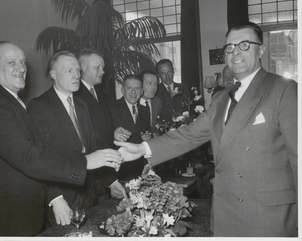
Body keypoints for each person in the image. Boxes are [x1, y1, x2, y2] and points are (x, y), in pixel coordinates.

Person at [115, 21, 298, 237]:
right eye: (229, 47)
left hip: (268, 216)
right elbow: (189, 134)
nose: (235, 52)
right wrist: (142, 149)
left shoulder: (283, 89)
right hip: (226, 212)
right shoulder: (221, 98)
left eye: (244, 45)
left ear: (262, 50)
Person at [0, 42, 122, 236]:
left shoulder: (77, 105)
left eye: (23, 62)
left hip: (83, 192)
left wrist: (110, 180)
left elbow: (91, 147)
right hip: (16, 213)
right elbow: (32, 155)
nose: (21, 68)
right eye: (12, 63)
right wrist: (56, 196)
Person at [28, 51, 100, 226]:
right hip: (62, 196)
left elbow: (91, 148)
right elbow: (40, 157)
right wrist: (55, 197)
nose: (76, 76)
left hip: (87, 191)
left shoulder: (81, 106)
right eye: (69, 71)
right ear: (53, 74)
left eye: (77, 70)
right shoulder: (38, 107)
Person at [75, 48, 129, 199]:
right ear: (83, 67)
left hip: (105, 171)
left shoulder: (98, 91)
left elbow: (101, 124)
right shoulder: (75, 95)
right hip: (91, 175)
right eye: (97, 67)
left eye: (103, 67)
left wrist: (114, 131)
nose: (103, 71)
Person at [109, 74, 151, 182]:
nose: (133, 92)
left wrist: (147, 137)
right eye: (129, 88)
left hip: (140, 170)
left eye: (137, 88)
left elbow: (146, 133)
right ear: (123, 90)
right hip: (118, 170)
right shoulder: (111, 107)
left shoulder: (145, 110)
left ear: (142, 91)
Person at [155, 59, 190, 123]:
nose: (167, 76)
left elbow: (189, 110)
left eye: (169, 72)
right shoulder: (155, 91)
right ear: (158, 75)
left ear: (173, 71)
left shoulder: (184, 88)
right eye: (163, 73)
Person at [139, 70, 162, 136]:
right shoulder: (132, 102)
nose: (153, 88)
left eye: (155, 84)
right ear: (140, 84)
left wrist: (157, 134)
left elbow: (158, 125)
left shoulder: (157, 102)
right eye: (149, 83)